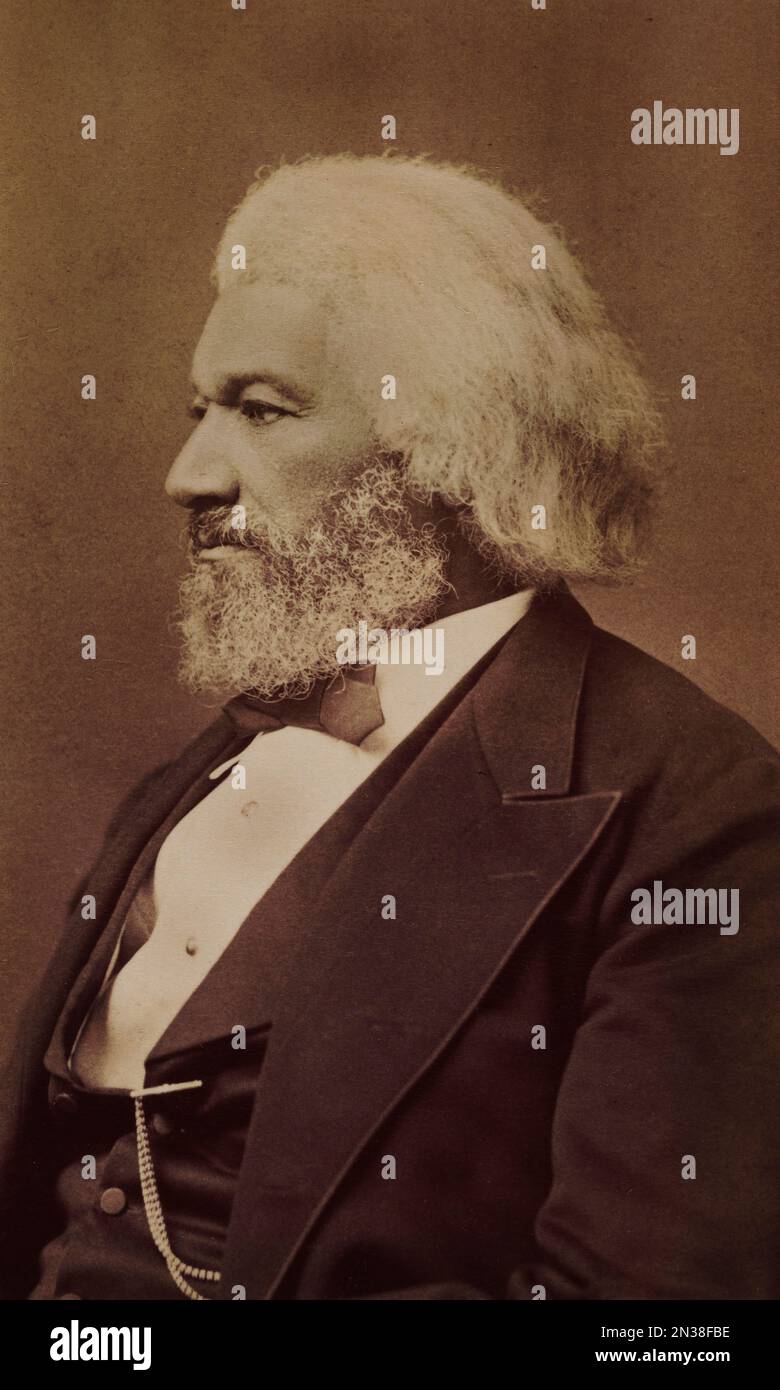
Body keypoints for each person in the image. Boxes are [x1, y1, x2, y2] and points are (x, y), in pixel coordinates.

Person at [1, 154, 778, 1301]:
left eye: (262, 411)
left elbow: (655, 1323)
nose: (186, 473)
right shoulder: (207, 770)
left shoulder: (697, 813)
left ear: (454, 457)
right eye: (198, 410)